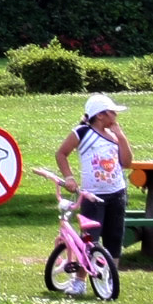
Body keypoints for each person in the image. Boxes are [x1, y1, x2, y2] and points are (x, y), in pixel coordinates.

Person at [55, 92, 136, 270]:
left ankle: (110, 279)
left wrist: (121, 137)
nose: (116, 116)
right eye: (112, 112)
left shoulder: (113, 134)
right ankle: (80, 279)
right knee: (89, 238)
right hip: (93, 196)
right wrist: (69, 177)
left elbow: (127, 162)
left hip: (117, 193)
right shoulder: (82, 132)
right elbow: (61, 153)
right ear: (100, 115)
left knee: (114, 238)